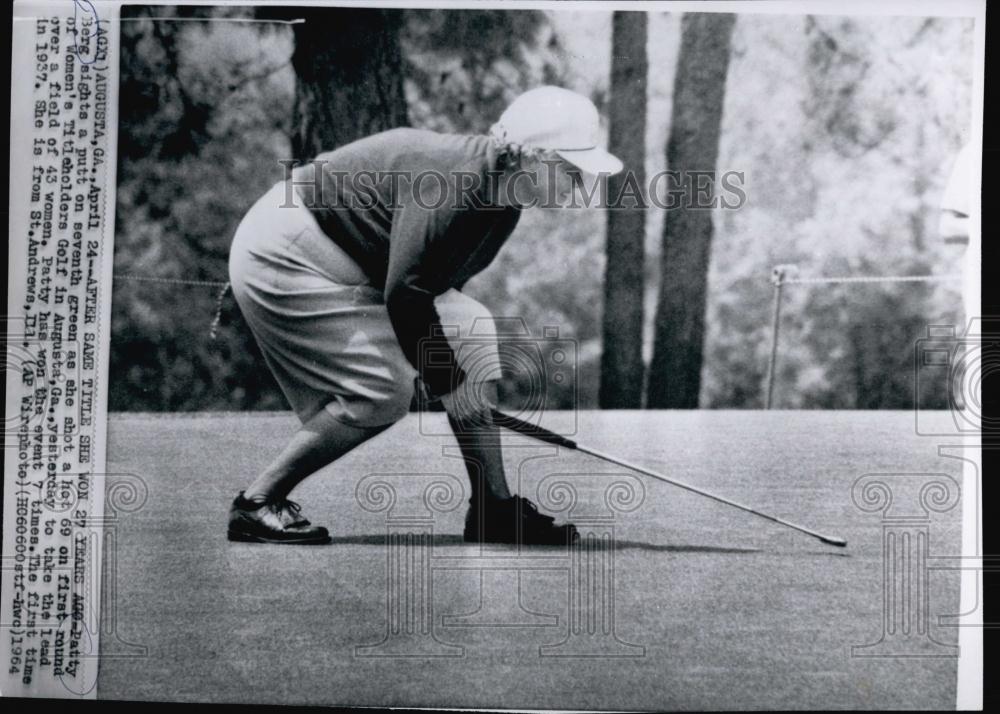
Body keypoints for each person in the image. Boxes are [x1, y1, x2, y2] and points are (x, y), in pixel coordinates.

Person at [226, 86, 624, 545]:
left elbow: (434, 292)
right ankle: (256, 503)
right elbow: (406, 295)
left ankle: (493, 509)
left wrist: (458, 383)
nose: (580, 186)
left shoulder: (503, 203)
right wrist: (451, 383)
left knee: (471, 329)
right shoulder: (456, 184)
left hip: (348, 258)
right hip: (284, 249)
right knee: (382, 390)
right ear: (530, 156)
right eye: (571, 171)